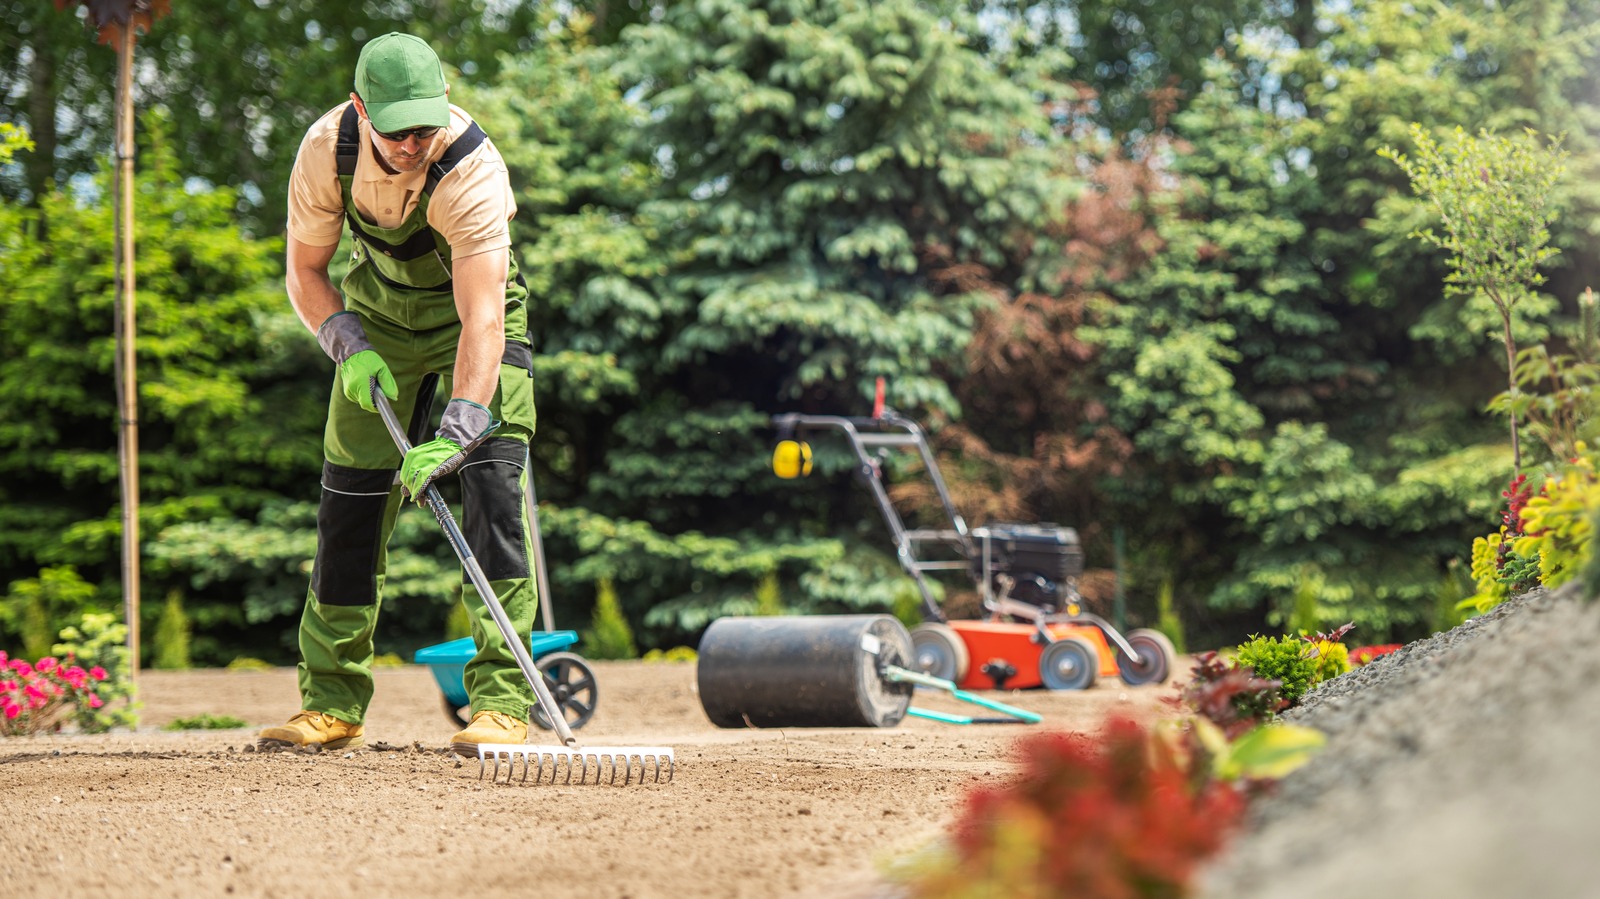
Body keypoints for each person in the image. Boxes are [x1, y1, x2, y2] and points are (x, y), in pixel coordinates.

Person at [257, 32, 538, 757]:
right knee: (348, 503)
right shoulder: (326, 152)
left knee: (492, 492)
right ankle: (331, 703)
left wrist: (460, 426)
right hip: (376, 320)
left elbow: (482, 317)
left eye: (425, 126)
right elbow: (305, 273)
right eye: (397, 129)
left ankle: (504, 704)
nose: (414, 144)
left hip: (475, 326)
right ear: (360, 109)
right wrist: (345, 344)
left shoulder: (470, 166)